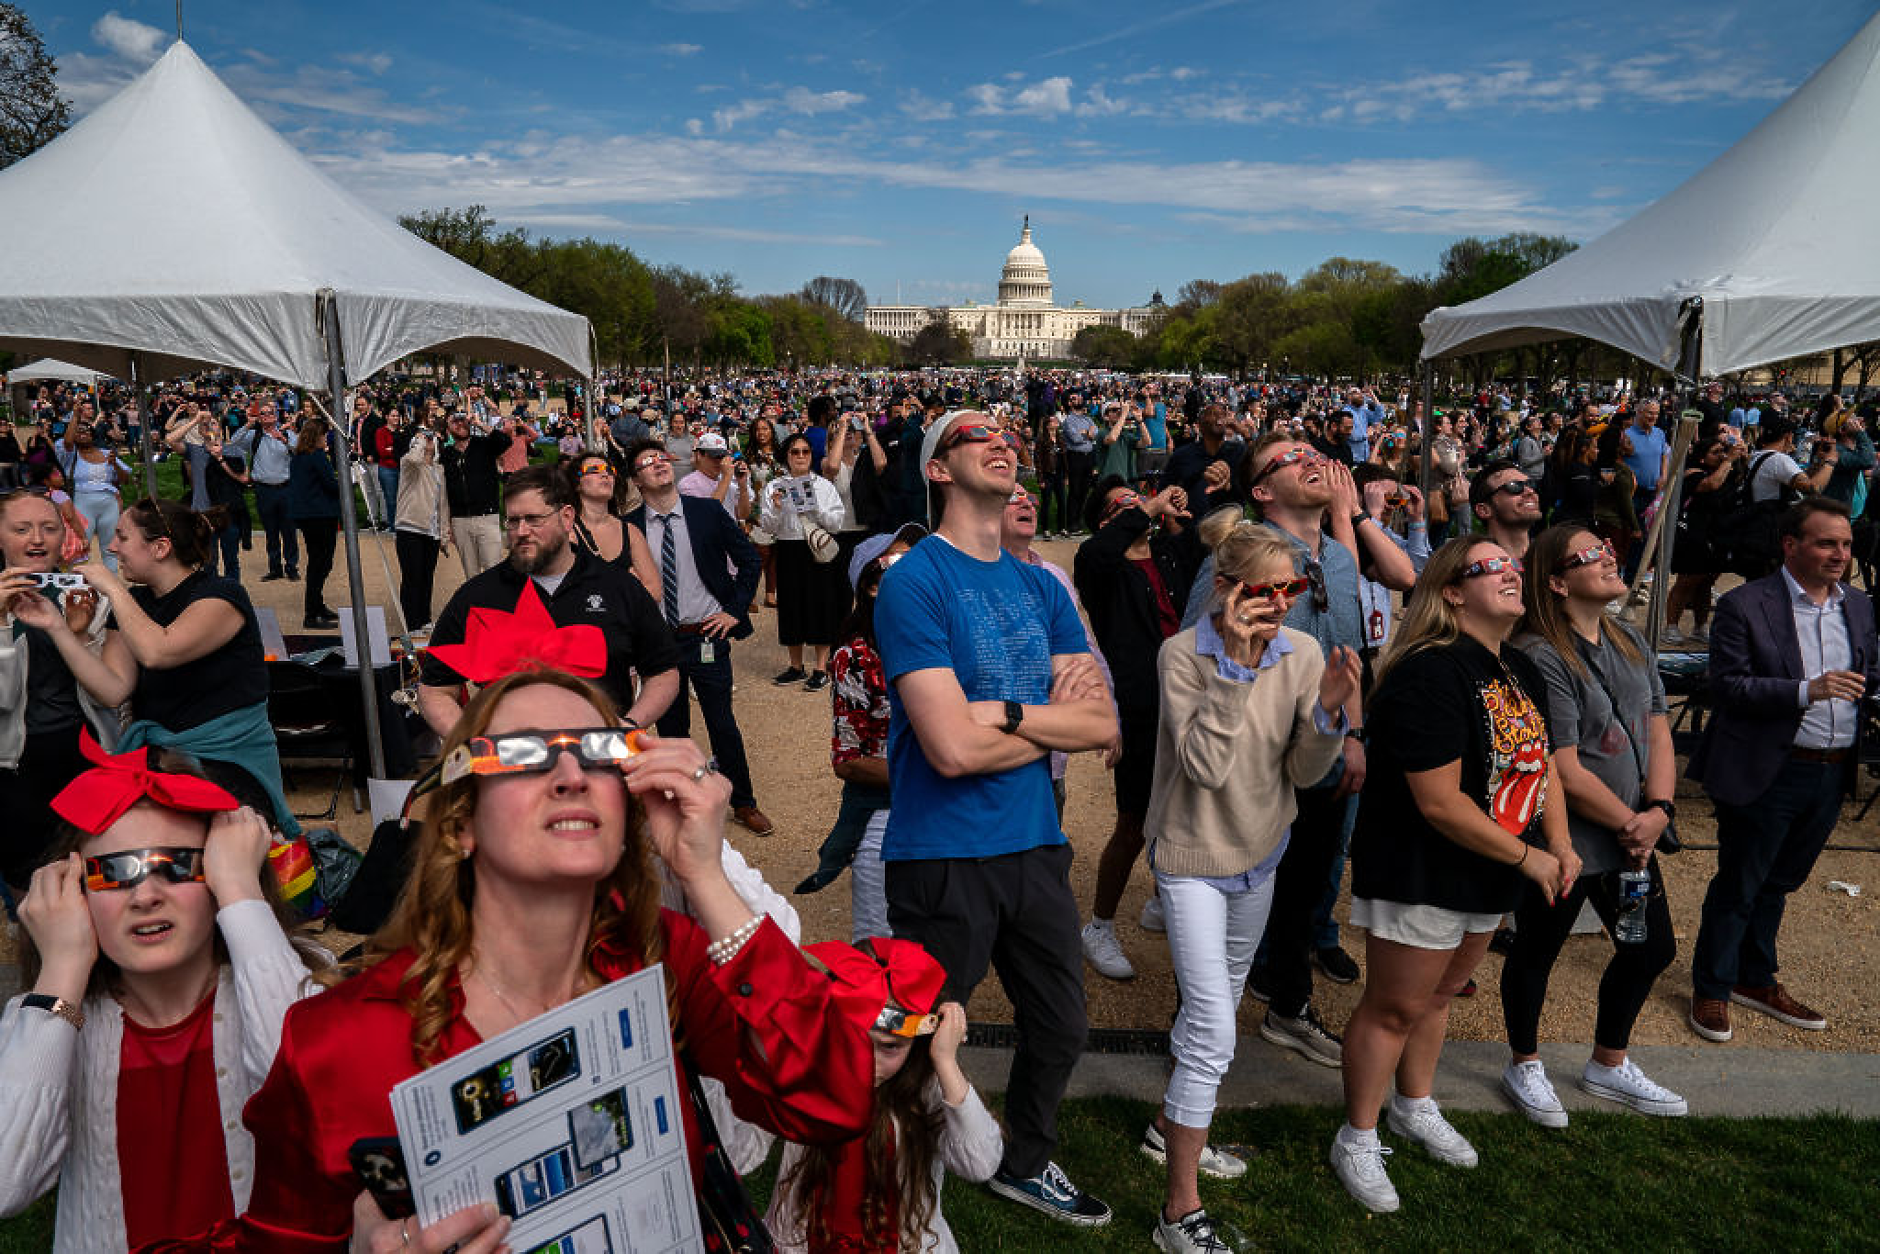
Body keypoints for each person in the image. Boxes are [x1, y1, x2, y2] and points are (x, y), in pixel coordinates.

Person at [167, 668, 874, 1250]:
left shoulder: (665, 961)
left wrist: (705, 874)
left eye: (599, 751)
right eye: (525, 753)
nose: (571, 773)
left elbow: (831, 1095)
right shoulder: (336, 1042)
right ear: (461, 823)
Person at [874, 409, 1117, 1227]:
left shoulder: (1040, 582)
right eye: (974, 434)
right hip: (942, 852)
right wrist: (1044, 717)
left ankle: (1023, 1162)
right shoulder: (915, 578)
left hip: (1035, 844)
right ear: (938, 469)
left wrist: (1004, 713)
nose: (1001, 439)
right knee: (913, 1040)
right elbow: (947, 750)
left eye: (1007, 431)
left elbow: (1101, 727)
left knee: (1061, 1026)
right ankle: (902, 1188)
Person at [1333, 537, 1570, 1214]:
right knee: (1397, 1004)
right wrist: (1532, 857)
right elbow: (1437, 801)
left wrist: (1556, 838)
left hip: (1491, 863)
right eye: (1490, 567)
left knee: (1441, 994)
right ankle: (1358, 1134)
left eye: (1512, 565)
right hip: (1422, 864)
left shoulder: (1519, 665)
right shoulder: (1428, 672)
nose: (1511, 573)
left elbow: (1541, 759)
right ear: (1451, 592)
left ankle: (1414, 1103)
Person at [0, 741, 312, 1252]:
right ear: (75, 893)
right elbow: (7, 1183)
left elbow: (314, 1099)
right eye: (114, 873)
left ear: (221, 870)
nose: (145, 896)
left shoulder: (278, 980)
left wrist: (242, 895)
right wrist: (61, 970)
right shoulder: (46, 1021)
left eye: (177, 864)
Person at [1143, 519, 1358, 1253]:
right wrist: (1234, 668)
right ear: (1228, 589)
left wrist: (1329, 712)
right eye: (1268, 589)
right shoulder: (1181, 655)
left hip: (1260, 854)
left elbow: (1302, 773)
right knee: (1210, 1029)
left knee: (1223, 1003)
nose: (1282, 603)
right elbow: (1203, 767)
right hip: (1191, 858)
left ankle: (1168, 1127)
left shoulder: (1300, 651)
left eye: (1291, 588)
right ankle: (1178, 1211)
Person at [1500, 526, 1685, 1126]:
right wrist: (1635, 820)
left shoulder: (1629, 636)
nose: (1609, 557)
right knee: (1539, 946)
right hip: (1567, 842)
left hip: (1631, 841)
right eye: (1591, 555)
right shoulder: (1538, 654)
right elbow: (1562, 767)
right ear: (1557, 581)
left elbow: (1659, 726)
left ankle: (1609, 1061)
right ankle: (1523, 1061)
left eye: (1607, 548)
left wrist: (1659, 810)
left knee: (1648, 946)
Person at [1686, 498, 1877, 1043]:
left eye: (1845, 543)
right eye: (1826, 543)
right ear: (1790, 545)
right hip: (1767, 767)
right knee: (1741, 883)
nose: (1840, 554)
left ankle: (1754, 977)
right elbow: (1726, 686)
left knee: (1781, 883)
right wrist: (1805, 690)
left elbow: (1870, 672)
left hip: (1832, 768)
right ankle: (1713, 988)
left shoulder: (1859, 606)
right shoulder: (1747, 604)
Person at [78, 498, 299, 838]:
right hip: (163, 761)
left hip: (229, 762)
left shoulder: (222, 595)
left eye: (121, 537)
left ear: (161, 547)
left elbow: (159, 652)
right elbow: (113, 690)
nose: (110, 546)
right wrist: (60, 630)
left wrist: (111, 589)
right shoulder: (136, 603)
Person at [766, 938, 1000, 1254]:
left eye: (889, 1046)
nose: (866, 1064)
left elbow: (981, 1164)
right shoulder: (805, 1072)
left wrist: (945, 1062)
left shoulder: (926, 1088)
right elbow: (736, 1151)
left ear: (919, 1044)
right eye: (852, 1039)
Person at [417, 465, 680, 738]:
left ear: (567, 518)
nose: (521, 531)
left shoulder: (619, 587)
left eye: (533, 519)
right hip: (512, 767)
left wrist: (630, 726)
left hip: (600, 764)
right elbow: (435, 689)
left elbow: (663, 672)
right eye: (513, 521)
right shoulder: (476, 597)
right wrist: (468, 742)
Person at [1072, 477, 1200, 983]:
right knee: (1134, 819)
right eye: (1120, 503)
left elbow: (1207, 554)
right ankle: (1099, 926)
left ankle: (1158, 901)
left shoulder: (1168, 553)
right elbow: (1100, 552)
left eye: (1137, 496)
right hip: (1141, 705)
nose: (1136, 505)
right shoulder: (1097, 563)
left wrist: (1191, 506)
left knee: (1185, 808)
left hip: (1188, 699)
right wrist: (1144, 507)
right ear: (1108, 520)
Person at [623, 440, 770, 838]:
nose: (658, 464)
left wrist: (735, 611)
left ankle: (744, 802)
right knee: (671, 731)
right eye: (646, 462)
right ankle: (685, 801)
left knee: (722, 723)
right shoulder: (630, 528)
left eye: (661, 458)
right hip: (659, 644)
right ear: (636, 479)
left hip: (705, 634)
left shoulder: (706, 512)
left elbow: (750, 559)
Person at [0, 489, 137, 895]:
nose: (37, 540)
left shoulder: (84, 594)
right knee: (25, 878)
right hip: (13, 761)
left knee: (89, 867)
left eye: (49, 528)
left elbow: (105, 693)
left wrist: (75, 633)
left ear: (66, 536)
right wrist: (3, 626)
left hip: (83, 751)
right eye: (21, 529)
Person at [799, 526, 927, 937]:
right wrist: (937, 774)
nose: (919, 570)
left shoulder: (938, 639)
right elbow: (849, 761)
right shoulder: (855, 655)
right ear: (872, 586)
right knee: (880, 947)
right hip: (885, 810)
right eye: (901, 562)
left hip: (945, 810)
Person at [760, 433, 847, 692]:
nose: (800, 456)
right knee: (790, 606)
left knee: (821, 604)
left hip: (816, 548)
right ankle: (796, 666)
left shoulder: (824, 486)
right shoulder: (775, 486)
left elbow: (837, 523)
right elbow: (767, 526)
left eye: (805, 451)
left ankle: (821, 667)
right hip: (788, 547)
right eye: (795, 452)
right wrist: (776, 507)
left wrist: (816, 507)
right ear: (786, 456)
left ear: (812, 455)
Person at [1663, 434, 1744, 645]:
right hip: (1692, 536)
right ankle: (1670, 626)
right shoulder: (1692, 474)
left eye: (1722, 451)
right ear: (1701, 457)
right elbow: (1711, 485)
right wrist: (1728, 461)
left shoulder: (1724, 472)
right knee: (1687, 581)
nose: (1721, 456)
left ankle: (1700, 626)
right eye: (1715, 452)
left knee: (1706, 582)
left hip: (1715, 536)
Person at [224, 400, 297, 583]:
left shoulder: (287, 433)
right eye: (263, 413)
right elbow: (233, 442)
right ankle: (275, 568)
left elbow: (299, 450)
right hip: (264, 489)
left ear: (277, 415)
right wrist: (248, 423)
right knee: (271, 530)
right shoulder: (253, 436)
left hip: (285, 488)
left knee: (288, 530)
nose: (267, 416)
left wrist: (284, 440)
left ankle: (291, 566)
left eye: (270, 412)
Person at [567, 452, 659, 598]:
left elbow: (655, 593)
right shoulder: (565, 531)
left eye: (610, 471)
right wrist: (630, 584)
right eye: (593, 470)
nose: (605, 474)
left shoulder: (630, 532)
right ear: (577, 483)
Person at [391, 422, 451, 634]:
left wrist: (443, 534)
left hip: (431, 531)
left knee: (427, 577)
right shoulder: (409, 464)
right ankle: (412, 624)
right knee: (412, 577)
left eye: (430, 437)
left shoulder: (439, 470)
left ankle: (424, 619)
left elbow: (442, 503)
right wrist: (418, 441)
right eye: (424, 437)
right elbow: (414, 457)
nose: (428, 441)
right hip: (410, 528)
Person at [53, 416, 130, 573]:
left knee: (110, 549)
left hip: (109, 504)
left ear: (93, 434)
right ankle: (74, 589)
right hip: (82, 502)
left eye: (86, 430)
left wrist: (115, 464)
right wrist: (76, 413)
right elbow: (67, 442)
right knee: (79, 546)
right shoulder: (70, 454)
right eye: (78, 430)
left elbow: (125, 479)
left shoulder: (106, 453)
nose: (82, 433)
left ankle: (110, 589)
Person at [439, 410, 507, 580]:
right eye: (455, 422)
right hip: (460, 521)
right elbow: (443, 492)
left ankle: (495, 606)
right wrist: (447, 525)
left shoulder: (484, 445)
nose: (460, 424)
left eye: (463, 420)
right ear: (448, 430)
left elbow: (505, 441)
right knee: (471, 575)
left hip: (487, 516)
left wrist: (479, 423)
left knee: (494, 571)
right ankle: (476, 605)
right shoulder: (445, 455)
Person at [286, 418, 340, 631]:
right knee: (321, 564)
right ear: (317, 436)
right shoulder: (317, 456)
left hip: (308, 516)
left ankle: (317, 605)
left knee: (318, 562)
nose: (325, 438)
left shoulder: (298, 457)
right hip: (320, 515)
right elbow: (330, 485)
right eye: (323, 435)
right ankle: (311, 612)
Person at [1468, 460, 1543, 561]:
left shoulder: (1550, 559)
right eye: (1514, 486)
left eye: (1530, 484)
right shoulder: (1475, 565)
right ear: (1484, 510)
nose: (1530, 491)